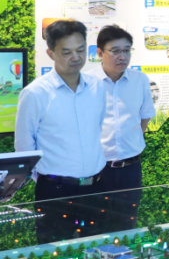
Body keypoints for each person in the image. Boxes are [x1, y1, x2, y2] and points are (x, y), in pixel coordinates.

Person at [15, 20, 106, 244]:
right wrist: (49, 180)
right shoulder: (36, 93)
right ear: (51, 53)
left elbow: (97, 128)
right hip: (55, 192)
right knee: (54, 254)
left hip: (95, 187)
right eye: (66, 52)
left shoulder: (97, 87)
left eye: (81, 50)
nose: (76, 57)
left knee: (96, 250)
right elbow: (24, 147)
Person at [86, 25, 156, 233]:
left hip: (130, 169)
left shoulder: (140, 80)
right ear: (100, 53)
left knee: (127, 226)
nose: (122, 56)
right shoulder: (87, 83)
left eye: (127, 50)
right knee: (96, 227)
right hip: (97, 170)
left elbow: (144, 118)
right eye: (115, 51)